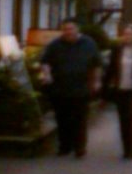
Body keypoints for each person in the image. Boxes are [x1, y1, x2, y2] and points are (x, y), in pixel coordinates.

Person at [39, 18, 101, 158]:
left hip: (81, 87)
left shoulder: (89, 44)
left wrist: (97, 81)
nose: (68, 32)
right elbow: (45, 61)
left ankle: (80, 148)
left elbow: (96, 64)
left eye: (71, 29)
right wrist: (47, 74)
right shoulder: (55, 45)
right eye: (65, 29)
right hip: (60, 88)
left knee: (80, 119)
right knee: (62, 119)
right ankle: (65, 146)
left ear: (77, 29)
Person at [102, 24, 132, 160]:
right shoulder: (117, 49)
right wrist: (104, 87)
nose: (127, 36)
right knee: (122, 120)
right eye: (125, 34)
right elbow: (111, 69)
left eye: (130, 34)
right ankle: (125, 149)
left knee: (131, 119)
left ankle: (131, 150)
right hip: (120, 89)